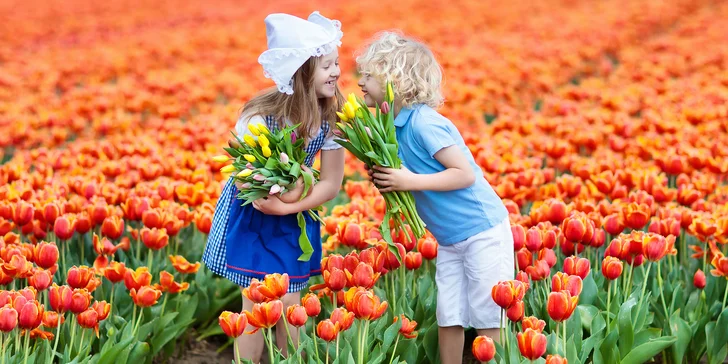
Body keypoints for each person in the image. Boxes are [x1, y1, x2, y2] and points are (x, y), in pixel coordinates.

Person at [357, 31, 513, 364]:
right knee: (449, 311)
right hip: (450, 237)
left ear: (394, 80)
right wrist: (389, 178)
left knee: (489, 311)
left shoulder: (424, 123)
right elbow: (409, 176)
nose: (360, 82)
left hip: (481, 229)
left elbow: (464, 174)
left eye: (368, 75)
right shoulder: (391, 127)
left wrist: (409, 179)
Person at [202, 11, 346, 362]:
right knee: (255, 303)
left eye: (336, 63)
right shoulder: (258, 118)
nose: (337, 72)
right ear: (301, 72)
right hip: (254, 215)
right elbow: (252, 179)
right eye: (327, 66)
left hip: (292, 217)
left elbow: (331, 183)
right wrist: (281, 198)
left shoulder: (331, 119)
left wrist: (290, 205)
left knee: (290, 303)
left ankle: (290, 359)